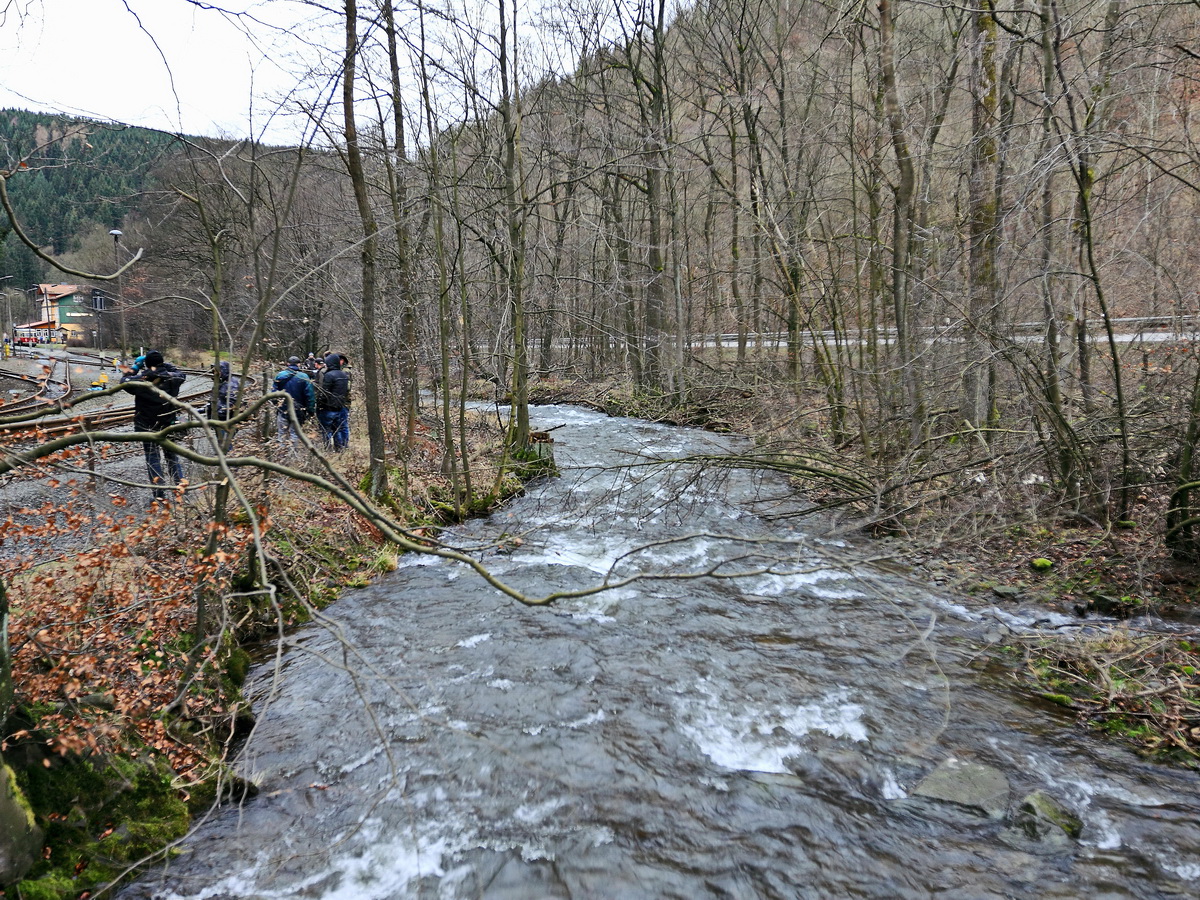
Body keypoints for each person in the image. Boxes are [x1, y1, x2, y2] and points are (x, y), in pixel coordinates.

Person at [120, 349, 186, 501]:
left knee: (153, 459)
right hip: (168, 423)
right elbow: (180, 373)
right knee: (172, 457)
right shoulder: (173, 378)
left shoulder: (141, 380)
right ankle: (181, 490)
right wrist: (163, 365)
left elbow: (124, 381)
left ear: (147, 365)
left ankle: (159, 495)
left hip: (147, 426)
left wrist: (136, 366)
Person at [272, 355, 315, 446]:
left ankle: (282, 455)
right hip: (299, 410)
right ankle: (292, 457)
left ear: (288, 364)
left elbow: (273, 393)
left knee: (282, 434)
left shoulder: (280, 375)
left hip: (283, 409)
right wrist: (310, 410)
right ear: (299, 364)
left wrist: (277, 405)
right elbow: (310, 395)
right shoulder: (304, 377)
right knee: (294, 434)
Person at [315, 352, 351, 451]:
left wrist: (319, 404)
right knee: (337, 429)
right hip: (340, 407)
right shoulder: (344, 375)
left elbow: (324, 392)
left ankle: (328, 449)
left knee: (326, 430)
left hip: (328, 408)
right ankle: (339, 449)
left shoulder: (329, 375)